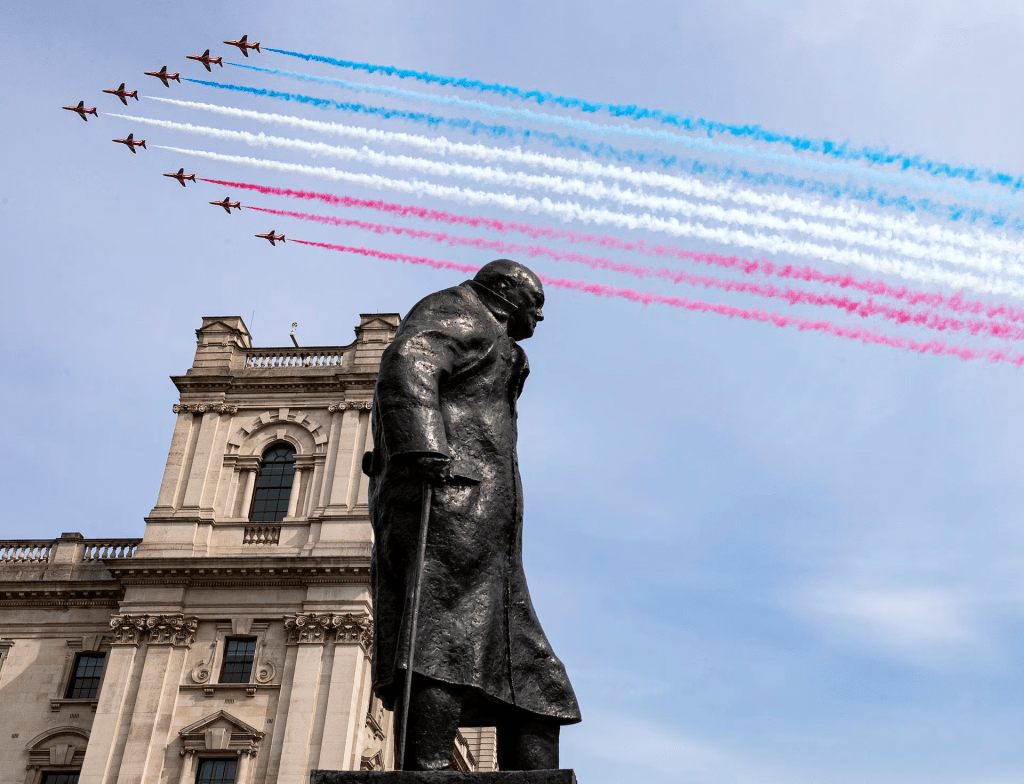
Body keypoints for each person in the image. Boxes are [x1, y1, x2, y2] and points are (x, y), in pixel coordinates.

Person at [363, 259, 581, 771]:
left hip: (483, 518)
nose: (541, 317)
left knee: (532, 673)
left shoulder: (492, 334)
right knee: (444, 629)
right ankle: (428, 765)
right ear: (504, 291)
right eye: (537, 303)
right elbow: (409, 361)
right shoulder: (460, 312)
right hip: (448, 500)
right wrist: (423, 448)